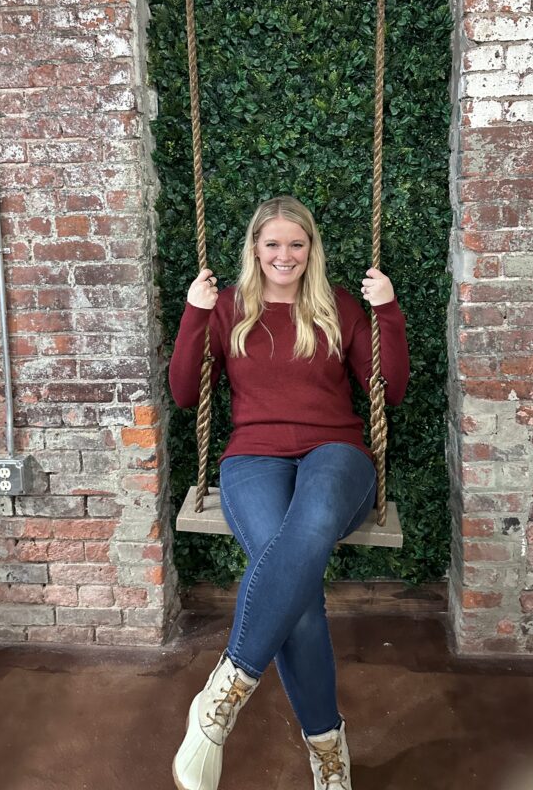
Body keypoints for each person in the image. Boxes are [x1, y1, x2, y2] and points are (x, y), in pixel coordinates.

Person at [170, 195, 410, 790]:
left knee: (307, 526)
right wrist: (194, 314)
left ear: (311, 249)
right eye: (273, 244)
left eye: (296, 244)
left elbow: (393, 390)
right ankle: (328, 749)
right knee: (298, 589)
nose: (285, 255)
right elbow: (182, 394)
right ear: (255, 248)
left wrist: (389, 314)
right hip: (252, 457)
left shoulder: (340, 307)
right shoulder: (229, 308)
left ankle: (225, 692)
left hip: (338, 453)